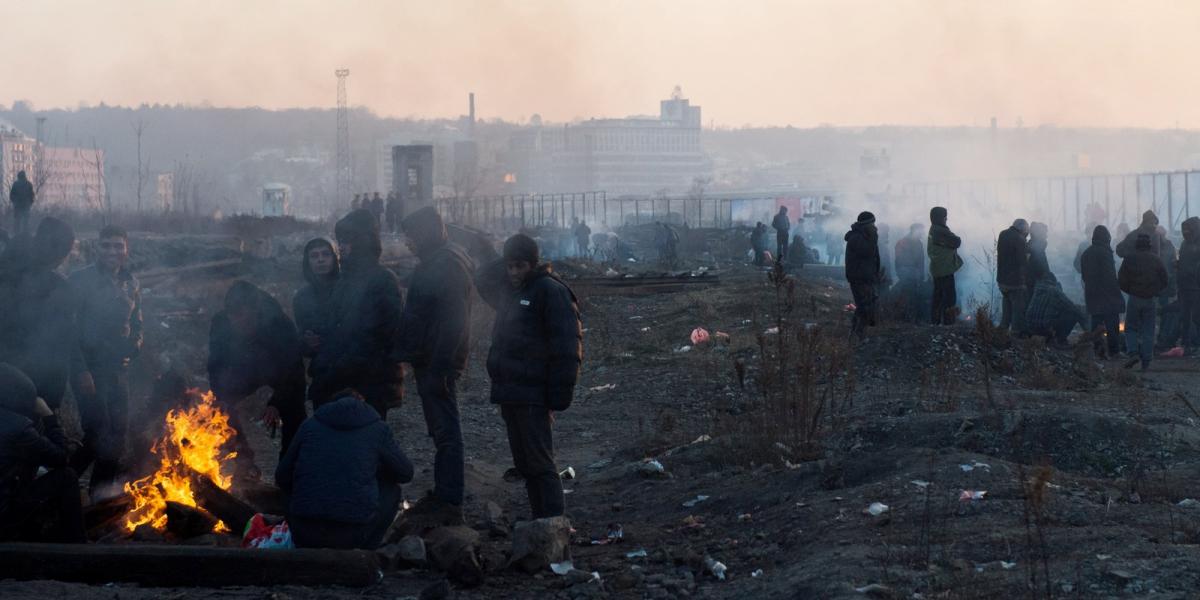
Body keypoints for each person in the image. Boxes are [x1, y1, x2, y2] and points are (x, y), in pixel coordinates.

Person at [476, 234, 582, 519]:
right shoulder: (512, 291)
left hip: (534, 394)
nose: (512, 273)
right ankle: (541, 525)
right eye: (509, 266)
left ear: (532, 264)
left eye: (519, 266)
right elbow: (482, 281)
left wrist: (559, 396)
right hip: (511, 391)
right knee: (525, 464)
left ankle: (553, 526)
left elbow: (567, 346)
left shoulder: (549, 291)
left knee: (540, 464)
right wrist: (500, 252)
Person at [396, 207, 474, 525]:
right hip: (430, 360)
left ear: (425, 233)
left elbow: (454, 322)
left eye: (411, 236)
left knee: (446, 431)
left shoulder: (447, 264)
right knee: (440, 429)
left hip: (436, 363)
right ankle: (444, 494)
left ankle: (449, 499)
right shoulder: (439, 260)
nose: (408, 243)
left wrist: (441, 367)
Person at [275, 390, 413, 549]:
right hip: (353, 536)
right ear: (363, 404)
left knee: (287, 488)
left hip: (304, 534)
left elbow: (281, 476)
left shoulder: (309, 425)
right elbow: (405, 473)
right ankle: (367, 550)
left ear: (330, 405)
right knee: (392, 490)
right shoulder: (378, 429)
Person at [68, 226, 143, 496]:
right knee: (98, 436)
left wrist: (135, 346)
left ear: (126, 249)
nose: (112, 251)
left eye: (117, 246)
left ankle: (101, 500)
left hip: (117, 370)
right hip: (89, 370)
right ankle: (56, 486)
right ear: (97, 249)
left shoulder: (131, 282)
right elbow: (68, 330)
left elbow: (137, 324)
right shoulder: (79, 281)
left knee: (117, 437)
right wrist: (80, 370)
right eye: (106, 246)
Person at [310, 209, 403, 417]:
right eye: (340, 240)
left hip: (369, 384)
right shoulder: (345, 280)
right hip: (340, 378)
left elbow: (380, 338)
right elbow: (337, 325)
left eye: (346, 240)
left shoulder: (383, 280)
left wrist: (339, 372)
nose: (340, 247)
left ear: (362, 242)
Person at [207, 281, 307, 466]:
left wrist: (276, 403)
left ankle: (291, 470)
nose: (238, 323)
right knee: (222, 409)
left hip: (279, 372)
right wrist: (219, 395)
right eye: (234, 317)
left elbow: (292, 369)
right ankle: (245, 463)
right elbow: (216, 363)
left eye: (244, 318)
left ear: (256, 312)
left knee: (295, 413)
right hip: (245, 370)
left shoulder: (279, 324)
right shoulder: (220, 323)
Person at [0, 217, 84, 414]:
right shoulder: (54, 288)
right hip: (28, 389)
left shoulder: (11, 270)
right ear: (59, 253)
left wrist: (81, 369)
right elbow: (58, 337)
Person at [0, 364, 84, 543]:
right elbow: (62, 459)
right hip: (4, 517)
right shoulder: (18, 429)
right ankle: (77, 545)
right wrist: (49, 417)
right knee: (66, 476)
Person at [293, 238, 340, 386]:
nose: (320, 260)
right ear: (308, 262)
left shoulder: (348, 289)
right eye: (314, 256)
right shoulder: (301, 297)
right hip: (322, 371)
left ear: (335, 257)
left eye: (326, 254)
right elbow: (302, 334)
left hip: (352, 368)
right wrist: (307, 342)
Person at [1118, 234, 1169, 371]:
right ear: (1149, 245)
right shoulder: (1156, 259)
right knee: (1148, 329)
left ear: (1136, 245)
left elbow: (1121, 279)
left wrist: (1130, 290)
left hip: (1134, 298)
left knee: (1131, 328)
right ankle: (1146, 360)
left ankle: (1133, 352)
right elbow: (1165, 280)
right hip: (1150, 299)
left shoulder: (1129, 259)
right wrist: (1155, 291)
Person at [1078, 226, 1125, 357]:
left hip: (1092, 293)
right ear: (1107, 238)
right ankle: (1114, 351)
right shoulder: (1105, 253)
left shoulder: (1086, 253)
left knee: (1096, 323)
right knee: (1112, 324)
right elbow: (1110, 276)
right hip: (1107, 294)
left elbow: (1084, 275)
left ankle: (1098, 351)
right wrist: (1117, 292)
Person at [844, 212, 881, 339]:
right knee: (864, 306)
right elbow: (868, 253)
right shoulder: (857, 237)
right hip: (859, 277)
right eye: (872, 223)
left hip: (864, 276)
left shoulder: (862, 236)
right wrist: (873, 237)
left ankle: (857, 333)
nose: (874, 226)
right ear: (867, 224)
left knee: (866, 305)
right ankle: (858, 334)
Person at [1025, 274, 1087, 344]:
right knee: (1073, 313)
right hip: (1045, 328)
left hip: (1031, 328)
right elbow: (1073, 308)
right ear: (1054, 282)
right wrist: (1086, 325)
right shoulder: (1055, 291)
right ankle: (1060, 339)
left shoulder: (1037, 290)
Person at [927, 207, 963, 325]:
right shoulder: (939, 230)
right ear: (939, 218)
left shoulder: (934, 229)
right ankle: (948, 323)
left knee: (938, 296)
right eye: (944, 216)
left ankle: (935, 322)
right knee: (949, 298)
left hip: (938, 269)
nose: (946, 219)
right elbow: (957, 241)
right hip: (944, 270)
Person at [996, 219, 1030, 333]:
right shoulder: (1019, 239)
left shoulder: (1003, 234)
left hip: (1002, 279)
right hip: (1015, 282)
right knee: (1017, 309)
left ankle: (1003, 329)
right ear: (1023, 229)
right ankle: (1016, 333)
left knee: (1006, 306)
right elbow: (1022, 262)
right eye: (1026, 231)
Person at [893, 223, 927, 322]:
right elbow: (899, 260)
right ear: (914, 230)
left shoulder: (919, 243)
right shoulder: (902, 242)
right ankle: (905, 317)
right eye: (921, 231)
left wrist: (921, 275)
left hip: (915, 275)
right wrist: (904, 273)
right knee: (908, 295)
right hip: (906, 274)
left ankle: (912, 317)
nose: (922, 233)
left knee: (914, 296)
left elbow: (921, 260)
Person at [1177, 217, 1200, 354]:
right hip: (1185, 286)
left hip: (1196, 286)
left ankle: (1196, 344)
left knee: (1197, 317)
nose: (1185, 232)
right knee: (1185, 317)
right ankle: (1187, 344)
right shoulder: (1184, 244)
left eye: (1187, 229)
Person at [1156, 224, 1179, 349]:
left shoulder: (1154, 246)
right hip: (1163, 286)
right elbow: (1174, 267)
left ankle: (1162, 339)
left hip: (1159, 287)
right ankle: (1163, 338)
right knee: (1164, 313)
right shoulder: (1169, 246)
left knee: (1162, 313)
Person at [1026, 222, 1051, 288]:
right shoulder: (1035, 249)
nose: (1046, 236)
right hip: (1036, 284)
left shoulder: (1032, 247)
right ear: (1039, 234)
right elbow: (1041, 269)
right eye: (1044, 233)